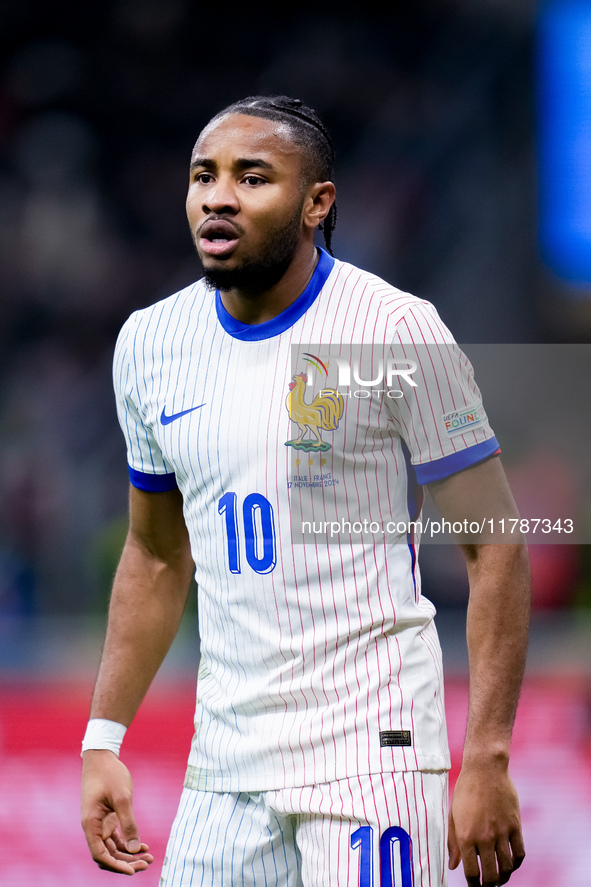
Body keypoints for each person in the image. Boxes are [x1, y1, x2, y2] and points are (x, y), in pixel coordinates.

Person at [81, 95, 530, 887]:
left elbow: (492, 541)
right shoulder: (149, 344)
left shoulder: (393, 329)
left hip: (373, 753)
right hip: (225, 765)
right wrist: (102, 736)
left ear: (317, 202)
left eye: (252, 177)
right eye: (203, 176)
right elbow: (155, 554)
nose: (218, 196)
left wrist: (485, 754)